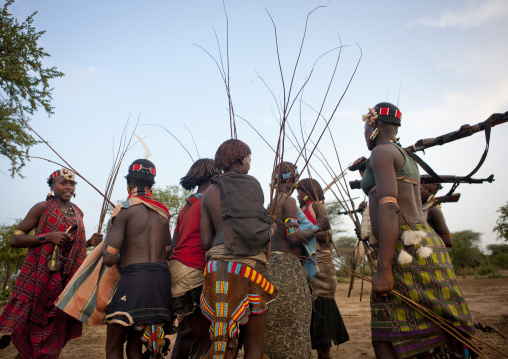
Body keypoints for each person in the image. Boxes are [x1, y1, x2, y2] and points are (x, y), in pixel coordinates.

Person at [360, 103, 475, 358]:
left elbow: (389, 208)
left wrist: (384, 269)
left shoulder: (381, 153)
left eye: (365, 128)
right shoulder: (405, 155)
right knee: (395, 332)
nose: (365, 134)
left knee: (386, 339)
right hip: (420, 245)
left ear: (373, 125)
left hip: (405, 249)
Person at [0, 168, 102, 359]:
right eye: (63, 183)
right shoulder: (42, 208)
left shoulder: (78, 212)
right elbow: (15, 240)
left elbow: (71, 245)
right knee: (33, 335)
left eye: (72, 184)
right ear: (52, 186)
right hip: (40, 280)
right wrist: (46, 237)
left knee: (53, 334)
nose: (68, 187)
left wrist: (89, 243)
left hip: (64, 284)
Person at [200, 139, 277, 359]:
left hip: (216, 271)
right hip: (250, 269)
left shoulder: (209, 192)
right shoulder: (252, 184)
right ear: (241, 160)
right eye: (249, 159)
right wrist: (272, 229)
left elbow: (206, 242)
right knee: (254, 343)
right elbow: (257, 230)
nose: (250, 163)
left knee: (223, 342)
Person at [102, 159, 172, 359]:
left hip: (134, 281)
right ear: (152, 183)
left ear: (129, 181)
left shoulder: (124, 209)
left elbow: (109, 258)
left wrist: (109, 230)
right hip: (160, 281)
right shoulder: (164, 212)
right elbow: (167, 250)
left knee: (114, 346)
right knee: (135, 348)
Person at [263, 162, 330, 359]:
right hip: (288, 270)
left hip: (271, 269)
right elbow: (292, 237)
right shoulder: (289, 201)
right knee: (295, 329)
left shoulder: (271, 204)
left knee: (275, 328)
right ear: (292, 179)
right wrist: (318, 227)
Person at [169, 158, 220, 358]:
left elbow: (174, 243)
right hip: (195, 272)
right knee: (207, 340)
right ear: (214, 175)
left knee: (199, 336)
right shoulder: (210, 200)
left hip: (179, 271)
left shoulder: (188, 204)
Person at [297, 178, 349, 359]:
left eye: (300, 192)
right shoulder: (303, 209)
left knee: (322, 307)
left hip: (321, 264)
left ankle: (324, 353)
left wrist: (303, 234)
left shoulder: (318, 207)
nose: (298, 195)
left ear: (307, 193)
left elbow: (326, 236)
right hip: (308, 263)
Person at [421, 183, 453, 247]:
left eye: (419, 189)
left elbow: (448, 240)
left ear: (430, 191)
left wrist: (421, 239)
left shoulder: (433, 209)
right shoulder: (419, 208)